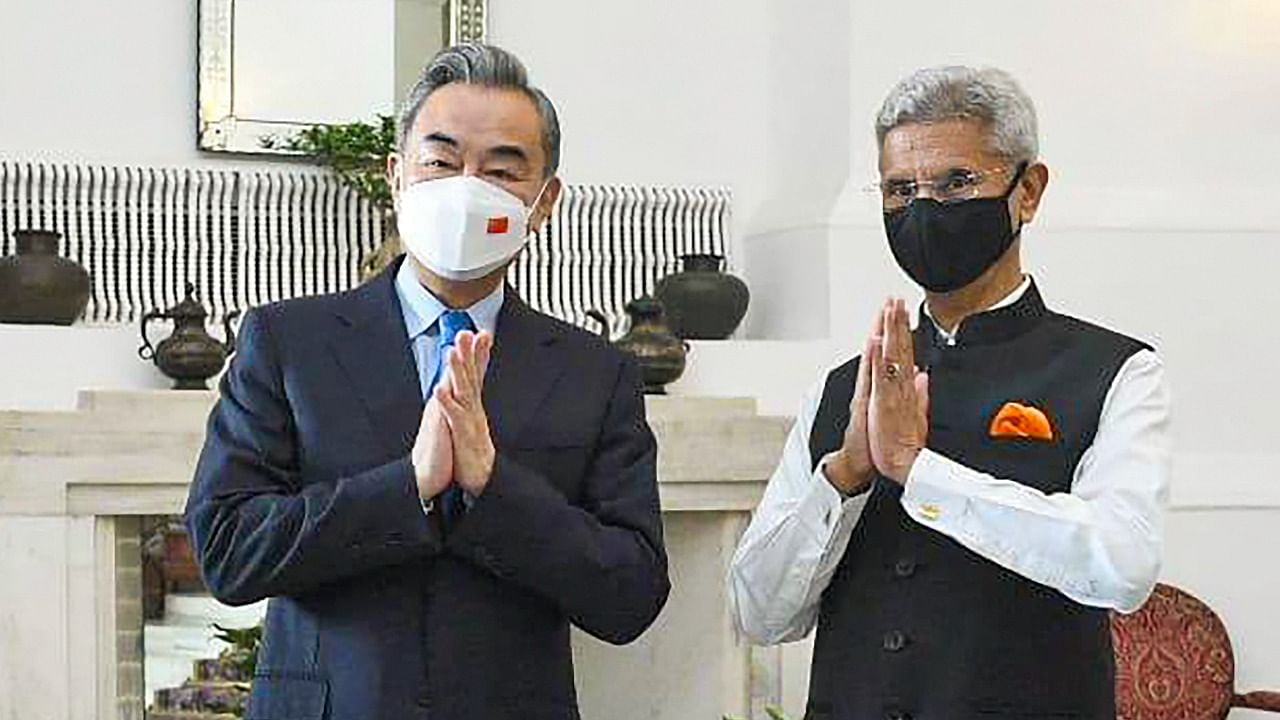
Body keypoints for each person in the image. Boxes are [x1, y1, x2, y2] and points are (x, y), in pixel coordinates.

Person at [185, 43, 670, 720]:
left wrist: (492, 487)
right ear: (397, 175)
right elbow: (230, 551)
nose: (466, 188)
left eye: (502, 169)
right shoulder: (288, 343)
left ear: (545, 201)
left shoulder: (596, 373)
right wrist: (406, 485)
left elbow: (631, 594)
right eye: (441, 161)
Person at [729, 65, 1171, 720]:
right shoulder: (842, 388)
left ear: (1029, 191)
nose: (925, 210)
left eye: (957, 182)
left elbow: (1122, 564)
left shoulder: (1116, 370)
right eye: (900, 189)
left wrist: (919, 472)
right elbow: (760, 614)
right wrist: (846, 474)